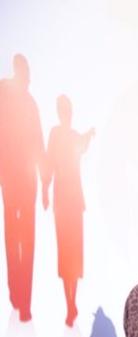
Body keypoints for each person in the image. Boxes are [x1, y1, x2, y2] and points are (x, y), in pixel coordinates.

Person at [40, 94, 93, 326]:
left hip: (74, 199)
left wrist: (88, 136)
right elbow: (49, 162)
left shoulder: (73, 135)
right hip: (62, 198)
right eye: (65, 109)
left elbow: (81, 146)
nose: (68, 113)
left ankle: (73, 300)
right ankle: (69, 302)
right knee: (65, 250)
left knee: (74, 250)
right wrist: (44, 189)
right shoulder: (55, 133)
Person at [0, 54, 44, 322]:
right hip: (10, 174)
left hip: (28, 179)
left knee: (26, 237)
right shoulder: (4, 91)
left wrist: (46, 180)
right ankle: (14, 293)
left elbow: (38, 142)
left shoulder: (31, 102)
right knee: (12, 234)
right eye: (25, 70)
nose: (28, 76)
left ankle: (24, 300)